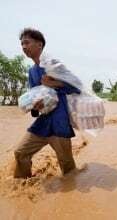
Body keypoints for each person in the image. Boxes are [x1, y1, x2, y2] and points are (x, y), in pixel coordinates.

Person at [14, 28, 81, 178]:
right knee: (20, 153)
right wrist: (35, 108)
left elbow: (77, 87)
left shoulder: (54, 65)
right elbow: (34, 102)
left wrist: (55, 83)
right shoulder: (31, 72)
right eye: (22, 44)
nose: (23, 47)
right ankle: (24, 187)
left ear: (39, 44)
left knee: (67, 167)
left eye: (27, 42)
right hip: (41, 124)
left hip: (59, 123)